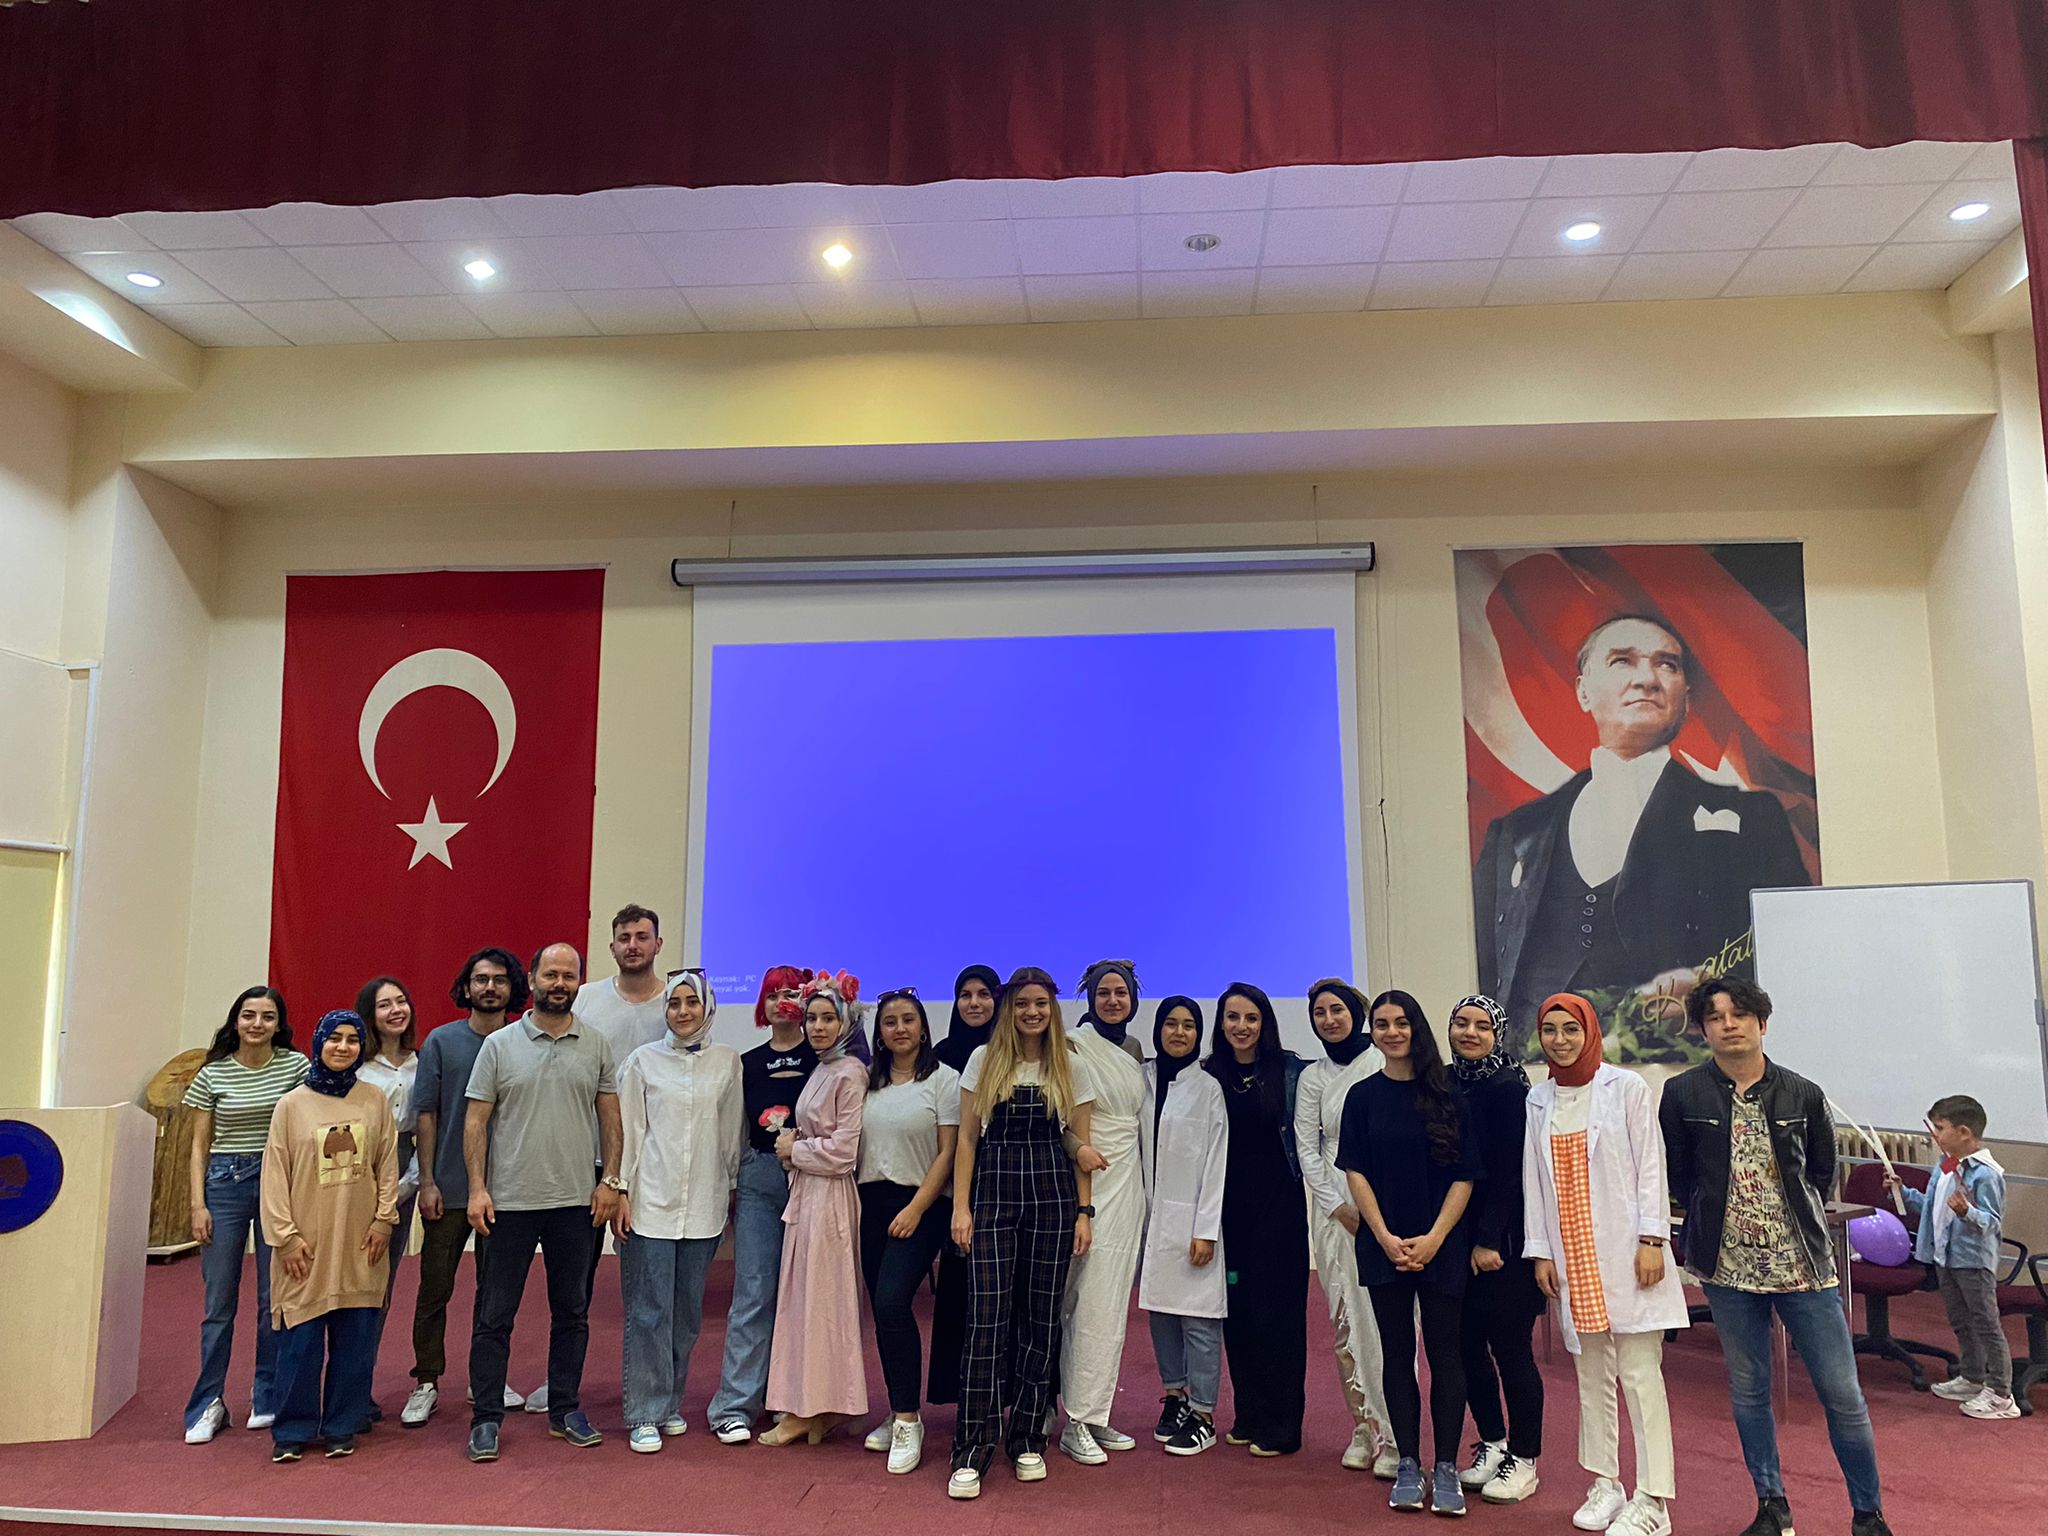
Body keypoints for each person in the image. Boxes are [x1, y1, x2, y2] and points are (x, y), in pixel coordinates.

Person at [1473, 612, 1810, 1029]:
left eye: (1667, 665)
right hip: (1539, 1051)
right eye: (1622, 661)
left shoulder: (1754, 821)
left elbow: (1791, 948)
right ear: (1583, 692)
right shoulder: (1518, 833)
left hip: (1678, 1051)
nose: (1647, 679)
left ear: (1685, 697)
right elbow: (1488, 964)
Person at [1659, 978, 1892, 1536]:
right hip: (1727, 1268)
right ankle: (1772, 1506)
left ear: (1762, 1023)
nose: (1729, 1024)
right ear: (1703, 1030)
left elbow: (1820, 1173)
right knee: (1749, 1390)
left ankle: (1868, 1515)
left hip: (1803, 1266)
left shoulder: (1802, 1093)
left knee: (1843, 1394)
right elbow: (1679, 1175)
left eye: (1740, 1014)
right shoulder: (1683, 1093)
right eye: (1716, 1017)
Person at [1524, 993, 1687, 1536]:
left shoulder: (1626, 1088)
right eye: (1550, 1030)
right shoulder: (1539, 1099)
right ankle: (1605, 1483)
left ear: (1590, 1031)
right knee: (1591, 1374)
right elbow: (1533, 1180)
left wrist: (1652, 1239)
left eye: (1571, 1029)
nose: (1560, 1040)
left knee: (1639, 1375)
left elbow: (1651, 1166)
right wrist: (1541, 1250)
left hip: (1627, 1252)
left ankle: (1653, 1500)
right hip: (1573, 1257)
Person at [462, 942, 622, 1462]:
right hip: (507, 1202)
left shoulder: (596, 1044)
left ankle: (565, 1409)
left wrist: (611, 1180)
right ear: (531, 980)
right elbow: (476, 1121)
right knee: (494, 1315)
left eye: (569, 976)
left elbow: (610, 1117)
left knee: (572, 1312)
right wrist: (478, 1188)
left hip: (575, 1202)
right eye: (550, 974)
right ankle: (486, 1418)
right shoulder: (499, 1045)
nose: (559, 983)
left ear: (579, 983)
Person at [947, 965, 1096, 1500]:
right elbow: (967, 1141)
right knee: (986, 1320)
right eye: (1022, 1003)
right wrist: (960, 1208)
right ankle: (971, 1448)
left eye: (1041, 1003)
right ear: (1009, 1008)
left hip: (1054, 1198)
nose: (1032, 1012)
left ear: (1052, 1008)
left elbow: (1079, 1143)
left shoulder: (1072, 1064)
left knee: (1041, 1317)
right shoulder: (983, 1060)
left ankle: (1028, 1437)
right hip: (993, 1195)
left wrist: (1085, 1212)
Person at [1338, 989, 1479, 1517]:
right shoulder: (1362, 1097)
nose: (1392, 1032)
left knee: (1445, 1355)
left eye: (1401, 1022)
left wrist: (1436, 1237)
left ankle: (1445, 1467)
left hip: (1441, 1244)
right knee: (1396, 1356)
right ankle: (1408, 1464)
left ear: (1416, 1028)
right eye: (1382, 1024)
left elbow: (1465, 1175)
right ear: (1372, 1032)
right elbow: (1356, 1171)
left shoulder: (1450, 1095)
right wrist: (1382, 1235)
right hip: (1384, 1246)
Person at [259, 1010, 401, 1461]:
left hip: (361, 1242)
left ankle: (342, 1424)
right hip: (305, 1245)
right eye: (334, 1038)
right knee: (299, 1342)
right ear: (318, 1042)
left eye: (352, 1040)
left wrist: (384, 1219)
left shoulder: (374, 1100)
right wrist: (285, 1237)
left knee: (355, 1341)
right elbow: (274, 1175)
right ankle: (293, 1431)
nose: (343, 1047)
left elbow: (387, 1164)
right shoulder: (291, 1105)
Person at [613, 970, 742, 1453]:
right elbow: (629, 1132)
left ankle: (669, 1403)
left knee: (686, 1315)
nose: (683, 1011)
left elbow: (731, 1133)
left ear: (707, 1007)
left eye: (692, 1002)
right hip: (650, 1203)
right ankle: (644, 1412)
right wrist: (621, 1190)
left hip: (704, 1205)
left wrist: (732, 1189)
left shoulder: (727, 1062)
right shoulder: (642, 1061)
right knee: (649, 1312)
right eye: (674, 1003)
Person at [401, 947, 526, 1428]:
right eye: (481, 979)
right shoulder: (441, 1041)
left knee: (494, 1294)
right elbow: (427, 1115)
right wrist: (428, 1180)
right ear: (467, 987)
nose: (490, 988)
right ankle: (426, 1381)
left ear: (513, 988)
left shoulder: (524, 1040)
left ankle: (484, 1380)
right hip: (449, 1190)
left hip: (506, 1192)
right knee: (435, 1289)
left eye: (499, 980)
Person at [182, 985, 307, 1444]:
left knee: (273, 1299)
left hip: (278, 1183)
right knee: (219, 1304)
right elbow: (198, 1146)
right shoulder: (212, 1073)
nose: (257, 1024)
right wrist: (197, 1205)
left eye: (267, 1017)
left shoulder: (296, 1067)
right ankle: (207, 1403)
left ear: (279, 1025)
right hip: (224, 1185)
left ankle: (266, 1392)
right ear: (235, 1021)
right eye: (249, 1015)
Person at [708, 965, 817, 1443]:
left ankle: (793, 1400)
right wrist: (732, 1184)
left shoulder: (824, 1058)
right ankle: (735, 1405)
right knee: (753, 1291)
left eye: (791, 993)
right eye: (772, 995)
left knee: (805, 1294)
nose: (781, 1003)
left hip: (814, 1177)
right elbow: (735, 1127)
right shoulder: (746, 1063)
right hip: (759, 1176)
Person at [1293, 977, 1397, 1477]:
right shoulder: (1312, 1077)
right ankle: (1363, 1425)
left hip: (1385, 1197)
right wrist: (1338, 1206)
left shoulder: (1381, 1062)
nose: (1330, 1019)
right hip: (1334, 1209)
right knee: (1345, 1320)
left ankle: (1396, 1432)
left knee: (1390, 1320)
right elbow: (1307, 1147)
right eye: (1320, 1013)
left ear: (1356, 1013)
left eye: (1337, 1010)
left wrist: (1374, 1209)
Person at [761, 970, 870, 1445]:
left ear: (846, 1021)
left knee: (822, 1301)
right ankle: (815, 1404)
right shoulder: (825, 1067)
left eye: (828, 1018)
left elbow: (846, 1151)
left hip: (830, 1198)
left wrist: (795, 1150)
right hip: (809, 1193)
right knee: (806, 1298)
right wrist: (796, 1146)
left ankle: (816, 1406)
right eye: (812, 1018)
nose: (818, 1027)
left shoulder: (850, 1072)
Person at [1446, 994, 1546, 1504]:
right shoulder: (1444, 1081)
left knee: (1511, 1349)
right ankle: (1493, 1441)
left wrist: (1488, 1239)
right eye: (1461, 1023)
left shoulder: (1510, 1088)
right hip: (1453, 1238)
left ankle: (1525, 1458)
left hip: (1503, 1242)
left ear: (1497, 1034)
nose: (1470, 1033)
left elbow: (1511, 1174)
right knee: (1466, 1347)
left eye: (1482, 1026)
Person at [857, 987, 960, 1473]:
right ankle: (900, 1406)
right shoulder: (867, 1081)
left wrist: (917, 1209)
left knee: (893, 1300)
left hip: (922, 1203)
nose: (899, 1028)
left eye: (908, 1020)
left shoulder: (944, 1080)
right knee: (883, 1312)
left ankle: (906, 1421)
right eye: (890, 1021)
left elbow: (949, 1153)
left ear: (923, 1028)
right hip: (870, 1204)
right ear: (879, 1032)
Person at [1206, 981, 1309, 1459]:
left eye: (1251, 1018)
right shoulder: (1209, 1074)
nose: (1241, 1026)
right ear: (1221, 1023)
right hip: (1229, 1217)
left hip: (1279, 1215)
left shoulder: (1289, 1072)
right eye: (1233, 1017)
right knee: (1239, 1315)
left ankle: (1283, 1425)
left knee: (1278, 1318)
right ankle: (1248, 1414)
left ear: (1265, 1023)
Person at [1057, 958, 1148, 1464]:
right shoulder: (1073, 1045)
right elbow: (1068, 1124)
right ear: (1090, 998)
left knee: (1111, 1306)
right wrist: (1083, 1202)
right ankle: (1073, 1419)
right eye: (1103, 993)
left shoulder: (1132, 1050)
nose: (1113, 1000)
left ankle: (1095, 1414)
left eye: (1121, 993)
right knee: (1085, 1302)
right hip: (1089, 1183)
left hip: (1128, 1183)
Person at [1890, 1094, 2016, 1419]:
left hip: (1973, 1261)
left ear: (1964, 1132)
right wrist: (1903, 1193)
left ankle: (2001, 1394)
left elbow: (1992, 1222)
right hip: (1945, 1257)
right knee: (1961, 1321)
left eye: (1940, 1127)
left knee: (1986, 1325)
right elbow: (1932, 1207)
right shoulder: (1946, 1164)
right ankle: (1972, 1377)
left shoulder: (1986, 1174)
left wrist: (1967, 1212)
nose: (1934, 1134)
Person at [1139, 995, 1228, 1456]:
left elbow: (1216, 1162)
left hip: (1192, 1219)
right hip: (1150, 1217)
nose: (1179, 1032)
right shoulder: (1142, 1079)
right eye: (1170, 1024)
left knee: (1199, 1319)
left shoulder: (1208, 1088)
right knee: (1161, 1314)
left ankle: (1204, 1413)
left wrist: (1205, 1229)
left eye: (1189, 1025)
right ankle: (1174, 1396)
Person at [927, 962, 1001, 1407]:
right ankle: (963, 1398)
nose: (974, 1003)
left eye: (983, 994)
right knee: (961, 1296)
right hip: (958, 1189)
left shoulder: (1013, 1050)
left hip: (1008, 1182)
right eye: (965, 995)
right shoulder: (940, 1055)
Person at [355, 974, 419, 1411]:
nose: (395, 1010)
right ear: (370, 1015)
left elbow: (425, 1129)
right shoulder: (357, 1065)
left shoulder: (422, 1062)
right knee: (348, 1285)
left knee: (380, 1285)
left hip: (403, 1174)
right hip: (355, 1171)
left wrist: (404, 1186)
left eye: (401, 1001)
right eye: (384, 1005)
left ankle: (360, 1386)